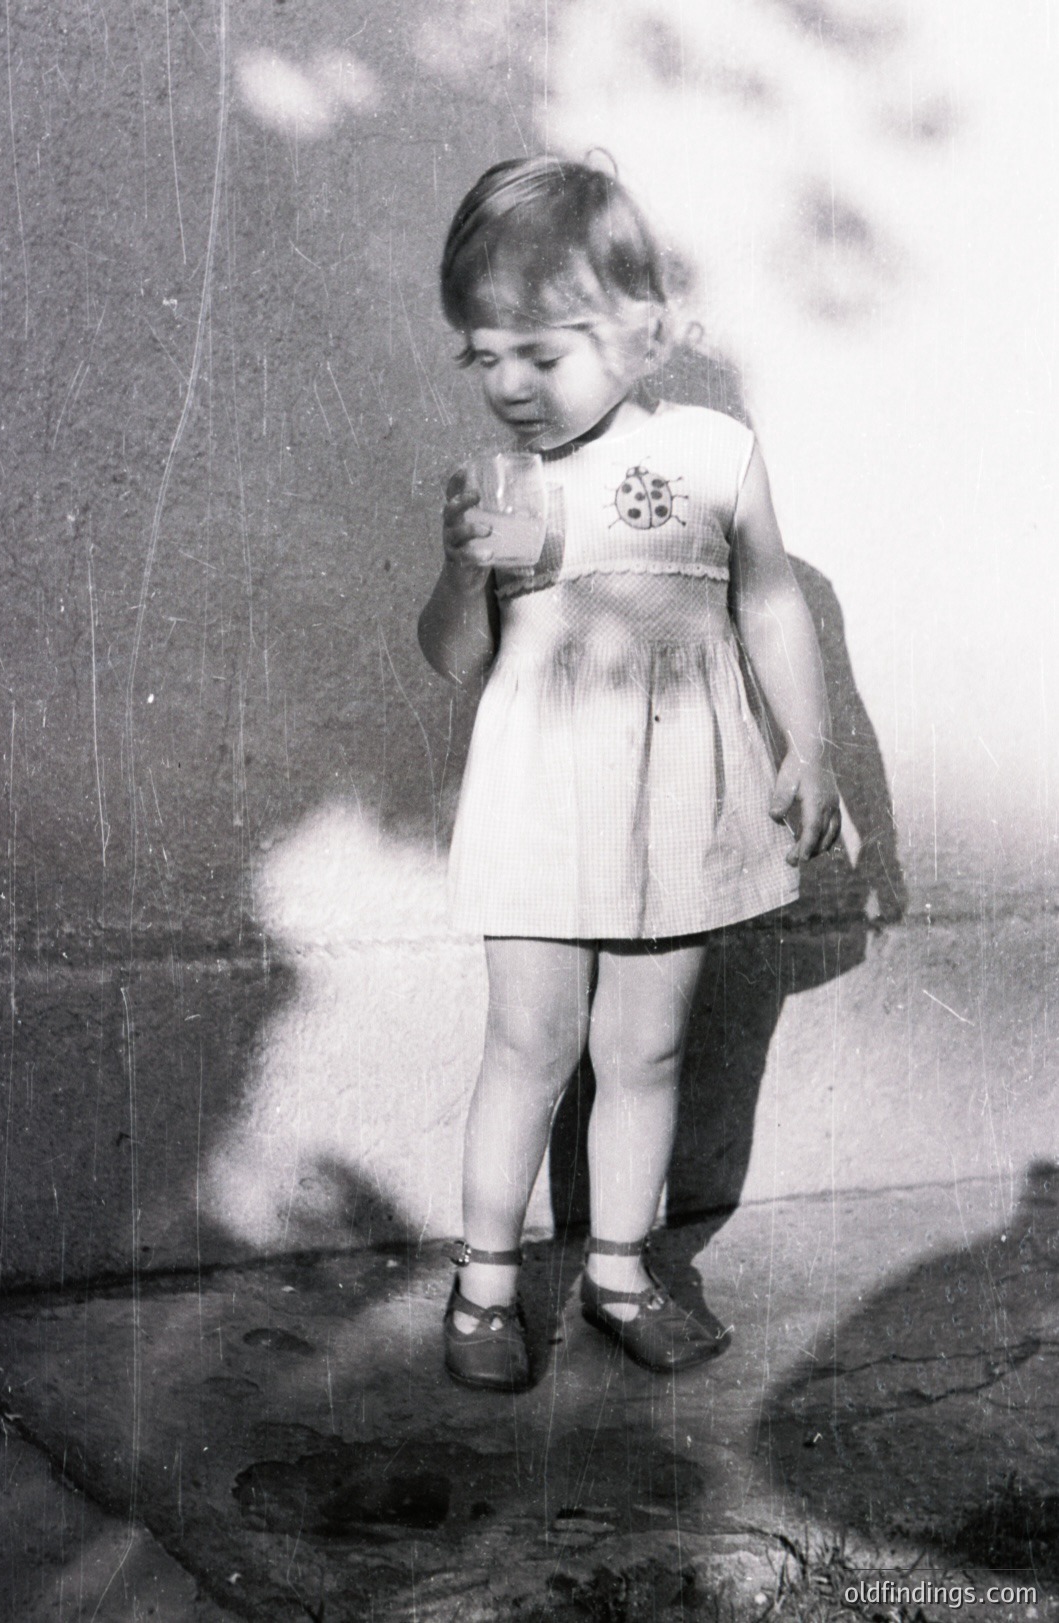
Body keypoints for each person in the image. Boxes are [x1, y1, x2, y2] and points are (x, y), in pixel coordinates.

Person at [418, 157, 840, 1392]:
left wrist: (809, 747)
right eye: (483, 357)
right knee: (529, 1046)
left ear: (641, 335)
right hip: (541, 805)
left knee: (648, 1052)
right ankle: (485, 1285)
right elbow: (455, 660)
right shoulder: (500, 490)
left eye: (541, 356)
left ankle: (617, 1272)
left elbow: (771, 606)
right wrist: (463, 572)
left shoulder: (713, 454)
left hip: (679, 805)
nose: (508, 385)